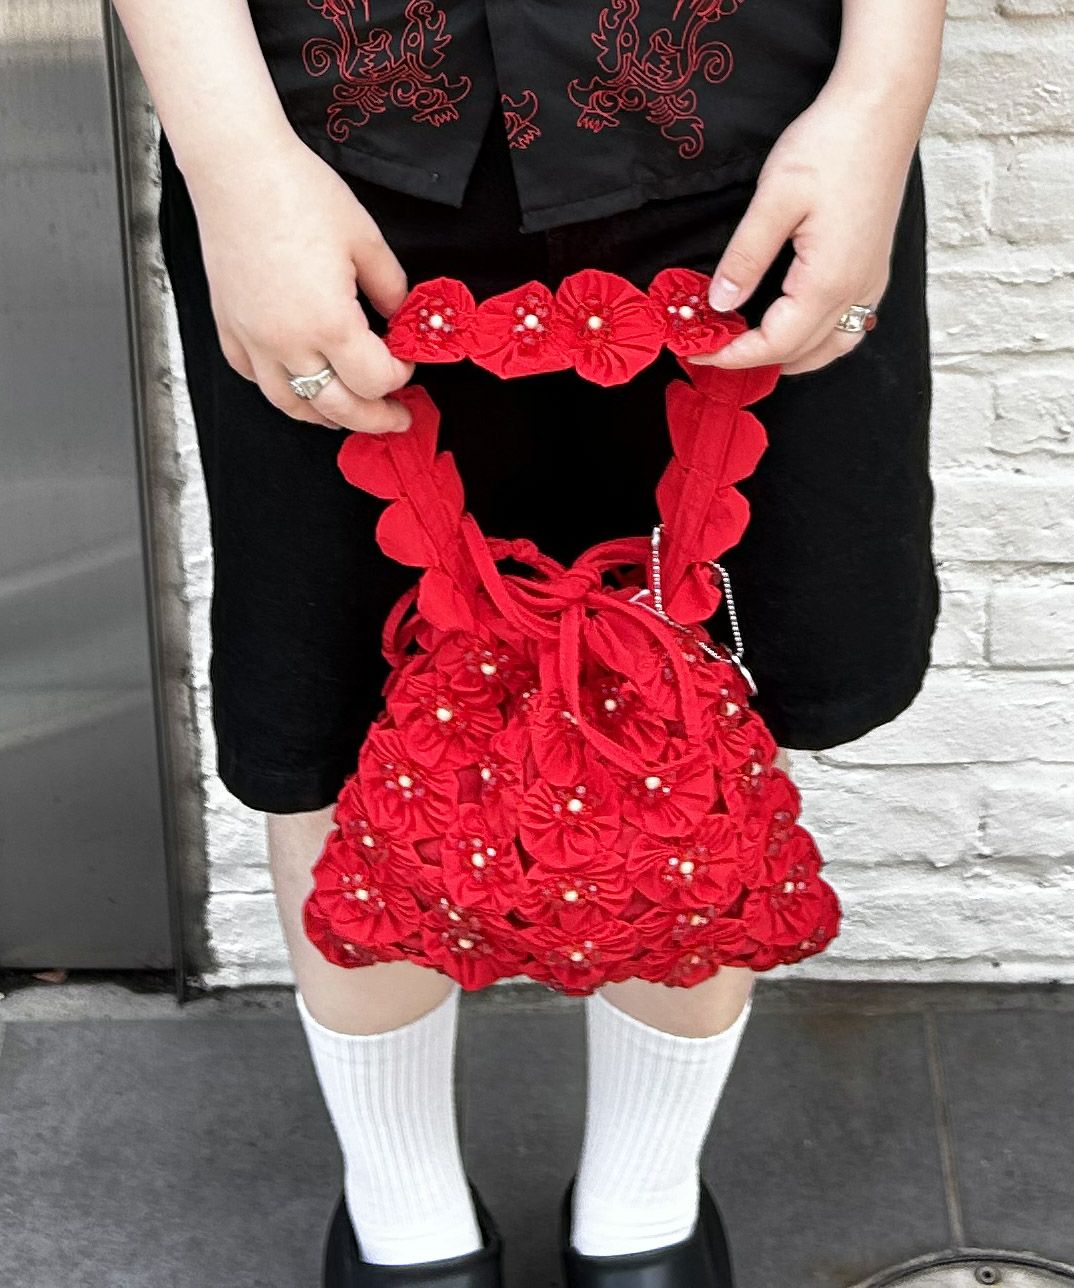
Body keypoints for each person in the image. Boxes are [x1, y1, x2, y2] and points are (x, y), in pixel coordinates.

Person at [112, 1, 946, 1284]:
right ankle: (405, 1223)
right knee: (342, 710)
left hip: (745, 136)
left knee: (699, 698)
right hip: (329, 145)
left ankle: (642, 1212)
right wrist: (233, 159)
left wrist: (883, 95)